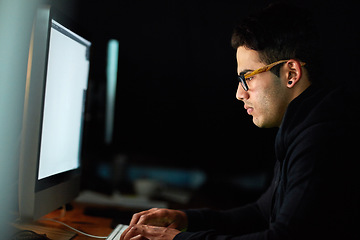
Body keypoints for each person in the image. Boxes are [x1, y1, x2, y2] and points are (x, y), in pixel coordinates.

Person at [120, 3, 360, 240]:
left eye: (247, 78)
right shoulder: (304, 124)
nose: (239, 93)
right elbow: (262, 213)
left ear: (291, 74)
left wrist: (175, 239)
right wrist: (187, 219)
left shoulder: (323, 137)